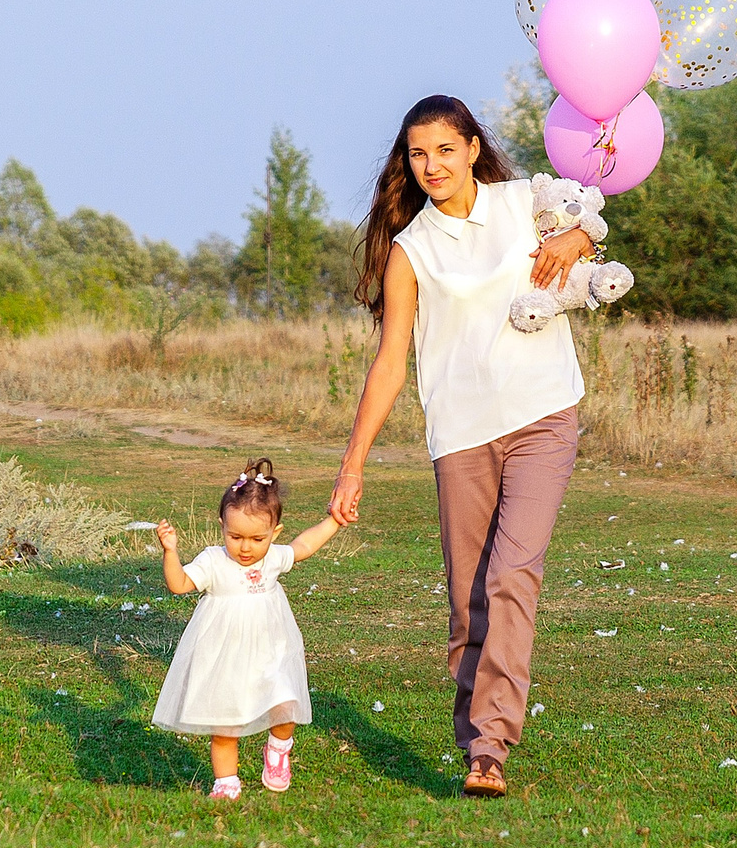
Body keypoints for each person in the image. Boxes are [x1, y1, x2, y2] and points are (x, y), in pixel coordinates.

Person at [327, 95, 600, 798]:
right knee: (468, 597)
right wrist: (353, 465)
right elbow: (391, 363)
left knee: (512, 573)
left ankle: (489, 748)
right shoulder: (412, 250)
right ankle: (475, 730)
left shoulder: (522, 202)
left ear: (474, 148)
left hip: (543, 416)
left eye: (446, 150)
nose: (433, 165)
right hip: (461, 436)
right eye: (419, 154)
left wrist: (579, 240)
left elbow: (589, 231)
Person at [151, 459, 339, 798]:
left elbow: (305, 546)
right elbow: (179, 585)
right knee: (225, 724)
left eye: (257, 538)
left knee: (286, 703)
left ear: (275, 533)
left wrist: (335, 520)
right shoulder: (213, 561)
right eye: (235, 536)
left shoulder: (273, 558)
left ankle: (278, 749)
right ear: (222, 527)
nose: (246, 547)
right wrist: (171, 552)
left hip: (271, 650)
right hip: (224, 657)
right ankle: (226, 782)